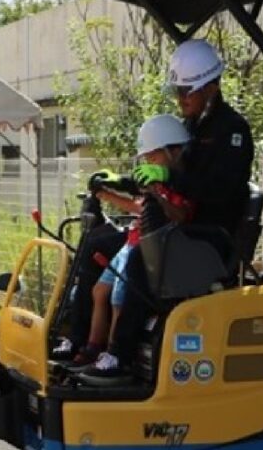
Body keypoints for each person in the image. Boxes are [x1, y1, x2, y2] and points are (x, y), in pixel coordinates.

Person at [81, 40, 253, 384]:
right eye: (178, 90)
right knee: (101, 245)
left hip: (209, 238)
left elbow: (218, 191)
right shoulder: (192, 127)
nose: (181, 98)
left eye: (187, 90)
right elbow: (169, 176)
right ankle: (83, 342)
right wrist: (126, 183)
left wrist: (169, 176)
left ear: (210, 85)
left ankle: (120, 357)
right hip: (183, 231)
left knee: (138, 264)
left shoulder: (232, 131)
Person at [69, 115, 193, 369]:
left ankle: (117, 352)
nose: (149, 162)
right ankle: (85, 343)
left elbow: (180, 214)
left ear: (174, 151)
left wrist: (158, 189)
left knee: (122, 289)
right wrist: (114, 184)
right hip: (142, 244)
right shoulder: (158, 179)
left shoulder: (185, 184)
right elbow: (139, 196)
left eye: (153, 156)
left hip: (163, 251)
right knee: (97, 277)